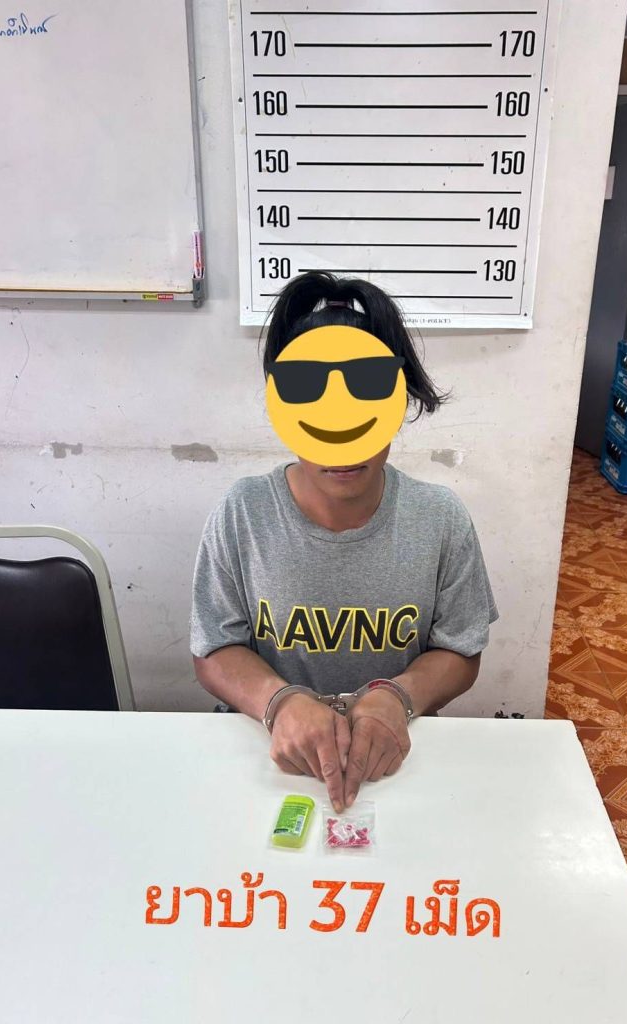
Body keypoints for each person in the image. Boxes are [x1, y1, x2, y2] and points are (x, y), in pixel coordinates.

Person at [191, 272, 497, 811]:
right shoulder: (244, 512)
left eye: (364, 398)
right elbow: (214, 647)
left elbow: (460, 649)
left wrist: (398, 697)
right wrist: (279, 701)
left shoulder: (440, 518)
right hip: (268, 755)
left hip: (396, 759)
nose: (342, 443)